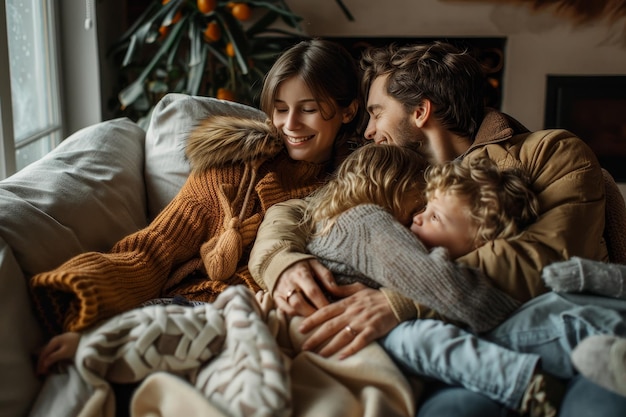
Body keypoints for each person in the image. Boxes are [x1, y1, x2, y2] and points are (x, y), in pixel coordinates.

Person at [248, 40, 626, 416]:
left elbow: (546, 256)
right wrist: (282, 262)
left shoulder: (548, 152)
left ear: (420, 112)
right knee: (454, 410)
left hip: (556, 329)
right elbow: (296, 212)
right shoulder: (392, 172)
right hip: (451, 353)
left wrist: (404, 301)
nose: (368, 131)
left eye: (377, 113)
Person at [28, 37, 363, 338]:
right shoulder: (233, 169)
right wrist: (84, 290)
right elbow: (157, 245)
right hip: (193, 308)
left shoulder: (361, 185)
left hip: (282, 328)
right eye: (280, 109)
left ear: (348, 111)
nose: (290, 125)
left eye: (308, 110)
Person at [304, 146, 564, 416]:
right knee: (418, 338)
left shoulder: (338, 222)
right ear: (396, 188)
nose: (417, 215)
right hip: (343, 337)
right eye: (421, 204)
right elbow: (438, 282)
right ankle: (523, 383)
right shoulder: (367, 221)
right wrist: (510, 312)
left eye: (430, 211)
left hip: (345, 336)